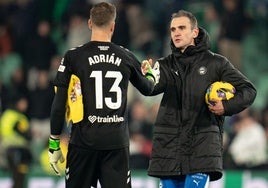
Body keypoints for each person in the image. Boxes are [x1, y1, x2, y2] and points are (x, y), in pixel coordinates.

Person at [47, 2, 159, 188]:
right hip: (115, 143)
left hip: (83, 142)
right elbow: (148, 89)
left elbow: (58, 103)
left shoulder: (73, 57)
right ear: (113, 26)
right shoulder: (126, 56)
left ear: (89, 23)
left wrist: (54, 144)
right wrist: (150, 75)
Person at [143, 10, 257, 188]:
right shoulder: (164, 65)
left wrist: (226, 106)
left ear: (195, 32)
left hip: (201, 149)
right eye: (173, 29)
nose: (176, 33)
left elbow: (248, 90)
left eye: (182, 28)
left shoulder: (216, 64)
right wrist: (147, 77)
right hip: (169, 150)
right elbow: (151, 89)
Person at [0, 95, 32, 188]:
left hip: (5, 148)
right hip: (16, 149)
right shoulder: (19, 117)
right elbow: (26, 134)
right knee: (19, 170)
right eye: (23, 103)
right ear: (18, 103)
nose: (25, 105)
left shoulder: (6, 114)